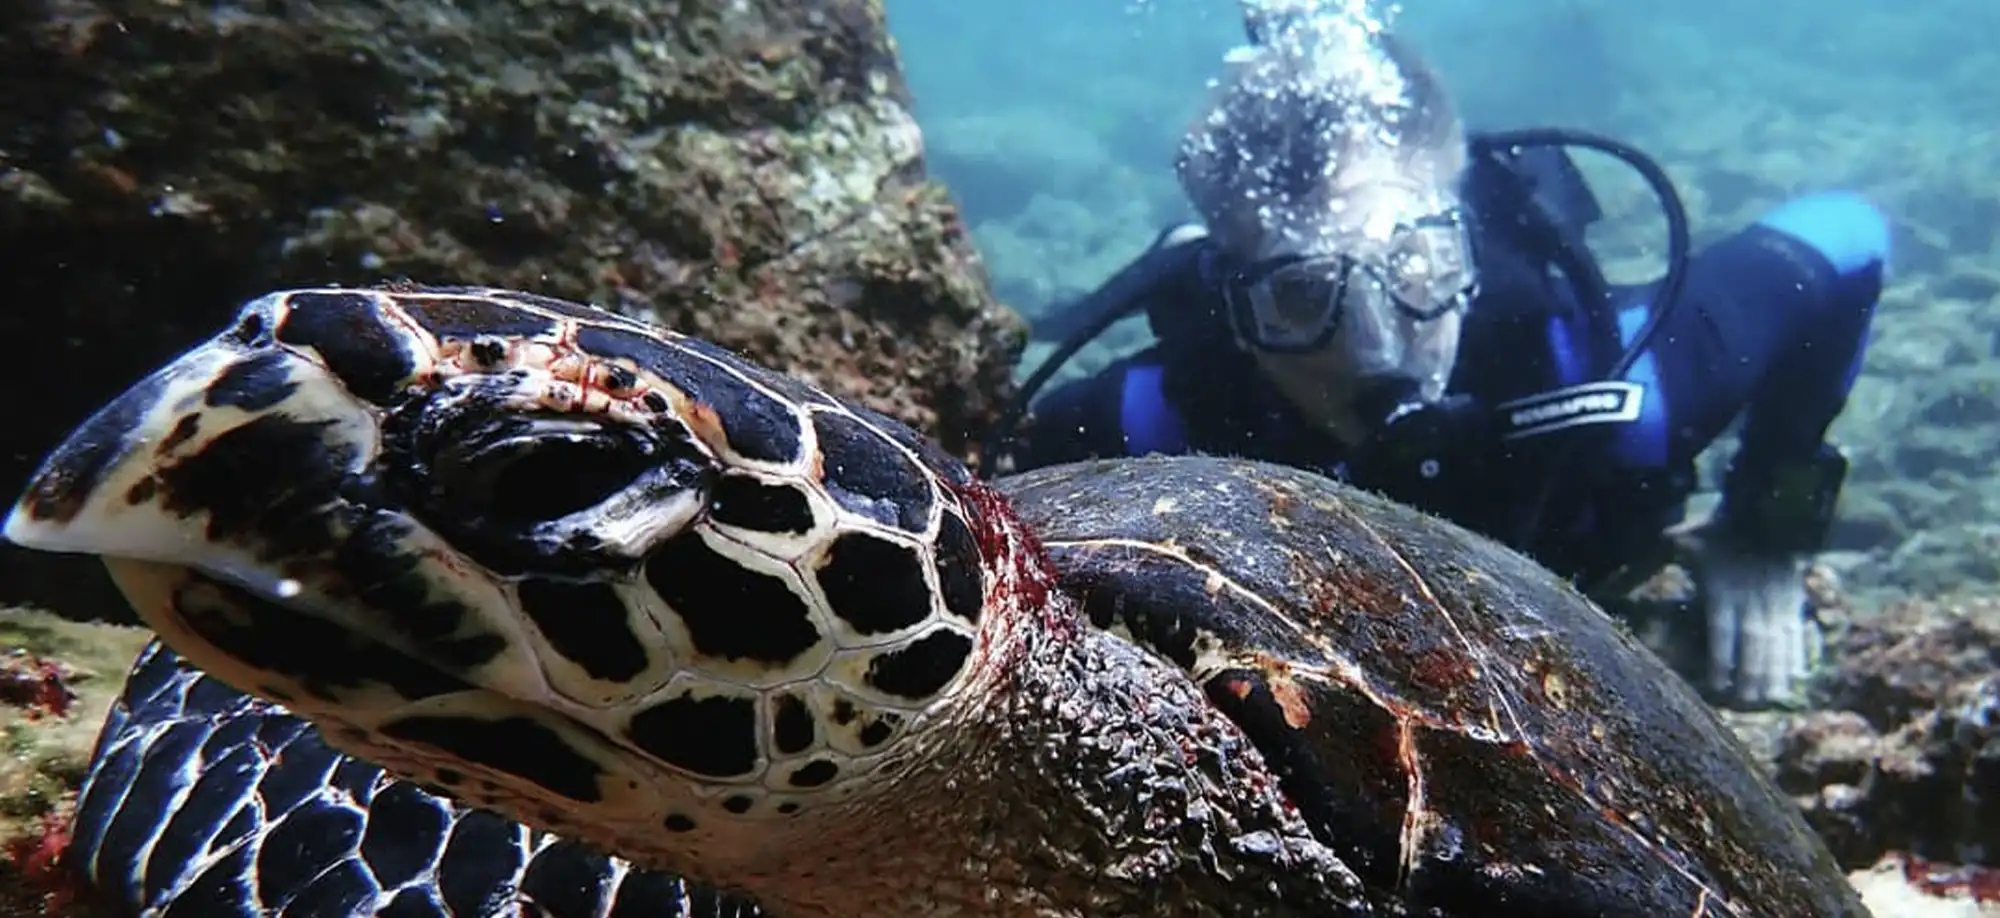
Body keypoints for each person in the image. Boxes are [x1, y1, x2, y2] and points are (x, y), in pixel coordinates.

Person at [989, 13, 1888, 710]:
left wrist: (1767, 525)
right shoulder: (1158, 426)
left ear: (1463, 245)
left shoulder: (1612, 383)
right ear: (1233, 308)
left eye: (1415, 268)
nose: (1377, 349)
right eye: (1304, 296)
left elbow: (1850, 237)